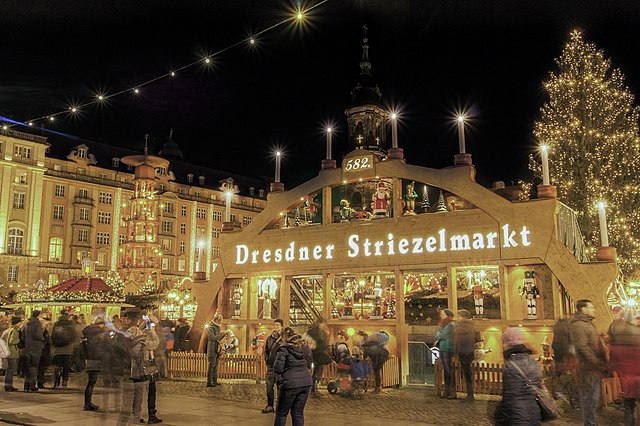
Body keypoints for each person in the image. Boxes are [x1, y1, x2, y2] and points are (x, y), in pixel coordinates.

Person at [118, 310, 163, 424]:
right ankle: (138, 418)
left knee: (130, 398)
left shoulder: (128, 340)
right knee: (140, 394)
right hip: (143, 368)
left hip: (130, 369)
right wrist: (152, 330)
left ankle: (133, 417)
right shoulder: (143, 342)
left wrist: (141, 327)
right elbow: (157, 342)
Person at [570, 299, 608, 426]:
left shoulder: (588, 324)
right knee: (589, 400)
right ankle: (590, 424)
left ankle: (592, 423)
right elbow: (582, 347)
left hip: (593, 368)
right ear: (584, 309)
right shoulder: (579, 325)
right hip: (587, 369)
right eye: (591, 307)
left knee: (593, 401)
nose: (594, 309)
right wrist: (595, 361)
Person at [497, 327, 542, 425]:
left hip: (516, 415)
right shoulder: (533, 362)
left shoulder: (510, 365)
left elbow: (510, 395)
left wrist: (500, 418)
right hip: (534, 412)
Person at [273, 327, 312, 426]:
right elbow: (309, 363)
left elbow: (278, 368)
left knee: (281, 414)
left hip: (290, 383)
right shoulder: (304, 347)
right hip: (306, 382)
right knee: (297, 413)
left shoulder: (284, 349)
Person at [607, 307, 640, 426]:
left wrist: (614, 368)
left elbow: (614, 356)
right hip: (638, 375)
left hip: (626, 378)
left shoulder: (617, 335)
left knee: (628, 405)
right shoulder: (637, 333)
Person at [82, 316, 108, 411]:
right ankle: (87, 404)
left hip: (89, 358)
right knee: (91, 382)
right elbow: (100, 347)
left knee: (91, 382)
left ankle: (88, 403)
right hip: (95, 358)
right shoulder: (98, 334)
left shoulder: (89, 332)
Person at [552, 316, 578, 408]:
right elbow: (564, 346)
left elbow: (556, 345)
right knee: (568, 380)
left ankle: (564, 401)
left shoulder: (559, 328)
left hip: (560, 359)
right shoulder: (565, 328)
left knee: (564, 379)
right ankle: (571, 402)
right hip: (566, 359)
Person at [453, 309, 478, 402]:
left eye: (458, 316)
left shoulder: (460, 328)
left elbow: (457, 342)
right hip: (469, 352)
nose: (457, 318)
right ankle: (470, 394)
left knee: (466, 375)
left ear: (463, 317)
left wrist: (455, 353)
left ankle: (470, 395)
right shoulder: (471, 326)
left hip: (463, 353)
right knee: (468, 375)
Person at [51, 310, 78, 388]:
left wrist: (54, 344)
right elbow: (74, 334)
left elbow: (52, 335)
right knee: (66, 365)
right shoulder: (70, 324)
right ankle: (65, 381)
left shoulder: (56, 324)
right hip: (68, 347)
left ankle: (56, 380)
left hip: (58, 348)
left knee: (58, 364)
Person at [306, 318, 332, 396]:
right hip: (316, 354)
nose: (324, 325)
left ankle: (314, 388)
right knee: (316, 372)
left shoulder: (320, 331)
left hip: (318, 354)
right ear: (320, 323)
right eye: (323, 324)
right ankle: (313, 389)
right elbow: (318, 342)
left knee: (317, 372)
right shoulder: (315, 331)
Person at [262, 318, 283, 413]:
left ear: (281, 326)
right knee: (269, 386)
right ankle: (270, 405)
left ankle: (279, 406)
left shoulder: (284, 338)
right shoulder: (270, 338)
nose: (276, 327)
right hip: (271, 367)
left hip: (280, 368)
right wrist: (267, 359)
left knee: (280, 387)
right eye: (274, 325)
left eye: (277, 325)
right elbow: (266, 350)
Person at [435, 308, 457, 399]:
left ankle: (452, 391)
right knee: (446, 370)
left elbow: (442, 335)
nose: (441, 316)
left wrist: (439, 334)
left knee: (449, 370)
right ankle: (447, 391)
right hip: (443, 347)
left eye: (443, 314)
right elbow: (437, 334)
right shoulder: (443, 324)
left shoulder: (451, 324)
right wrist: (439, 334)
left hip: (448, 348)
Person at [23, 310, 45, 392]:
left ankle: (26, 385)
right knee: (34, 366)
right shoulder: (37, 323)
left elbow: (22, 336)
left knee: (28, 366)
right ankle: (32, 385)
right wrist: (43, 338)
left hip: (27, 347)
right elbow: (38, 335)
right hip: (36, 347)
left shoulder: (26, 322)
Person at [206, 313, 227, 388]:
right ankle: (209, 381)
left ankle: (214, 380)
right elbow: (211, 337)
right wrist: (221, 335)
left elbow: (217, 338)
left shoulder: (217, 327)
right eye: (220, 321)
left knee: (215, 366)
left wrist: (223, 335)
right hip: (212, 349)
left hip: (216, 349)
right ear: (216, 320)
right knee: (211, 365)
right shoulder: (211, 327)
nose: (221, 322)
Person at [2, 316, 22, 391]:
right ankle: (9, 385)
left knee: (8, 369)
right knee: (10, 370)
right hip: (13, 352)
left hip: (9, 351)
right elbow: (12, 341)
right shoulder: (15, 330)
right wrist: (19, 340)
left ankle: (7, 385)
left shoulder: (10, 329)